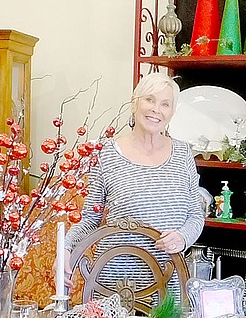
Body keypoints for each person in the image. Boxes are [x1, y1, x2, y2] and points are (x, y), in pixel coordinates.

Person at [64, 71, 204, 302]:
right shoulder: (107, 154)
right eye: (149, 100)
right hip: (113, 284)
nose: (156, 109)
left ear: (172, 112)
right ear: (134, 104)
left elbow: (195, 215)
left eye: (165, 104)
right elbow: (90, 217)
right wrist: (67, 249)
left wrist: (183, 237)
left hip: (168, 284)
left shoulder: (183, 154)